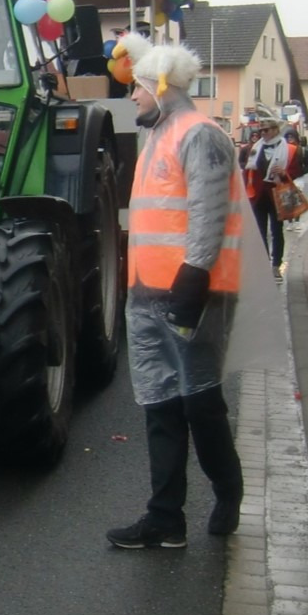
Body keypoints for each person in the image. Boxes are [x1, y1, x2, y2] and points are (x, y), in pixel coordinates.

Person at [106, 34, 246, 550]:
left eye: (138, 88)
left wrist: (194, 278)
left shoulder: (200, 134)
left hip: (194, 295)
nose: (134, 98)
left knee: (199, 402)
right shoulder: (158, 136)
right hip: (146, 296)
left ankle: (228, 490)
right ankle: (165, 518)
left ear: (160, 85)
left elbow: (208, 215)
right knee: (159, 405)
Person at [238, 107, 308, 280]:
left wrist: (285, 174)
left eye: (266, 130)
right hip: (258, 196)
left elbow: (298, 170)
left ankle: (276, 264)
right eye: (260, 130)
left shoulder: (290, 150)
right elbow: (246, 172)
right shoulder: (254, 149)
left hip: (278, 194)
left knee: (277, 231)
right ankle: (262, 263)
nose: (262, 133)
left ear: (276, 130)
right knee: (259, 231)